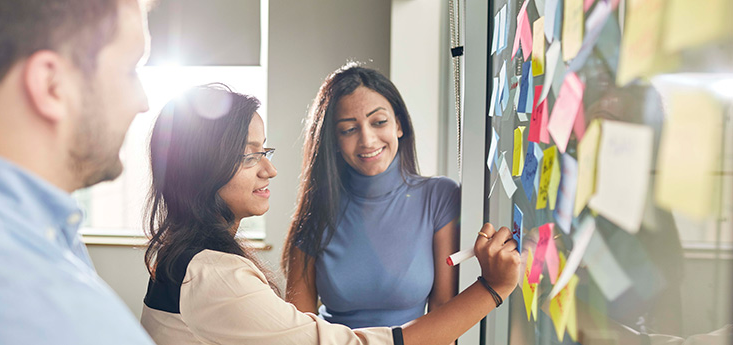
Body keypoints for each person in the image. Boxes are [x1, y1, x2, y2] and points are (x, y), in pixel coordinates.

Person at [140, 84, 521, 345]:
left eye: (264, 152)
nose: (269, 170)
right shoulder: (214, 276)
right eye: (248, 156)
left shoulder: (191, 261)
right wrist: (492, 288)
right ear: (203, 168)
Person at [0, 0, 154, 343]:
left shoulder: (48, 230)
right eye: (130, 70)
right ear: (52, 85)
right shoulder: (45, 311)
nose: (143, 101)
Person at [283, 63, 462, 329]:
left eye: (378, 122)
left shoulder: (440, 198)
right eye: (348, 129)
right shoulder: (315, 213)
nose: (367, 139)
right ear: (333, 139)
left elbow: (444, 315)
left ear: (398, 125)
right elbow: (298, 330)